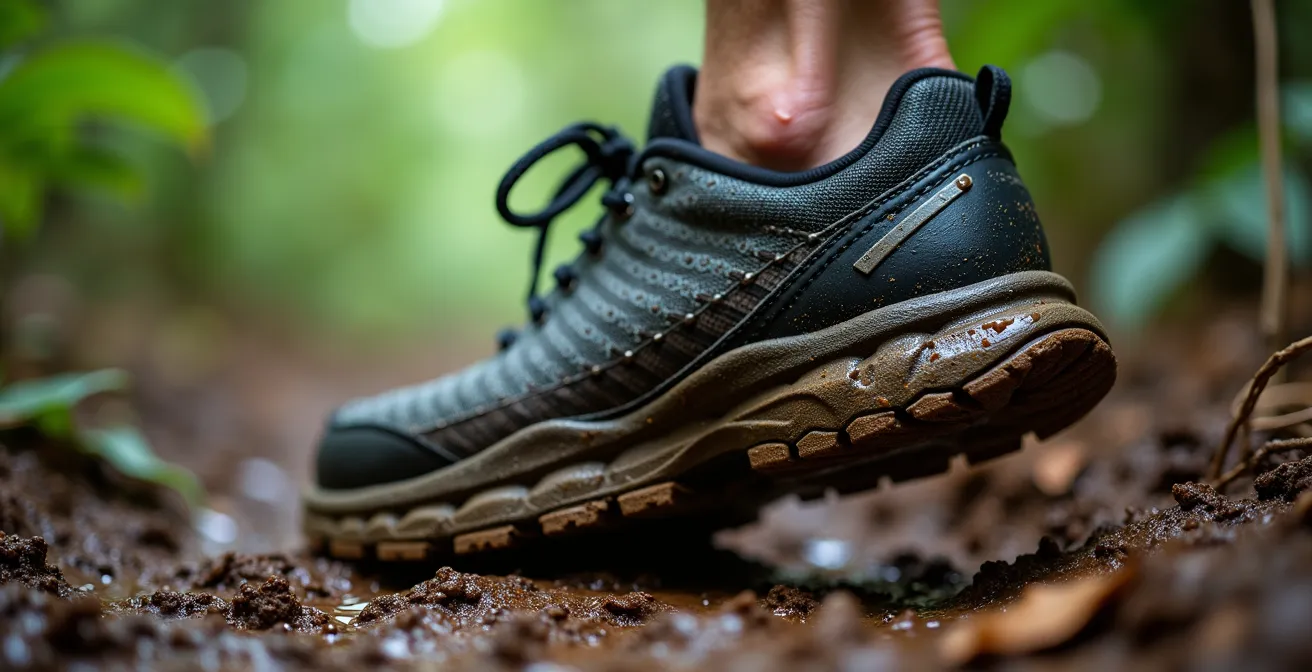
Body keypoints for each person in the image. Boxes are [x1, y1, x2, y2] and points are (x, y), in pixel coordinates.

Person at [302, 0, 1116, 561]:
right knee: (882, 62)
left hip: (823, 196)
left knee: (778, 107)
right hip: (946, 197)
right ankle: (884, 142)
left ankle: (768, 133)